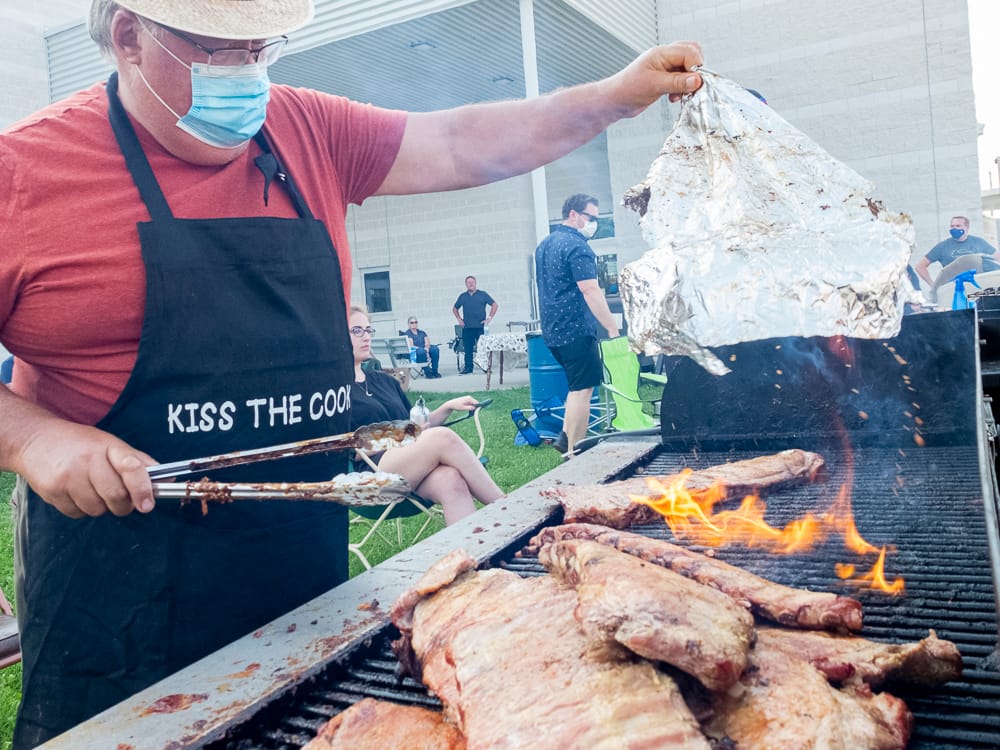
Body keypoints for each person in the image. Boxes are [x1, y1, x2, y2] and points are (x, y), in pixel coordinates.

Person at [0, 0, 703, 741]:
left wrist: (611, 96)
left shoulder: (307, 129)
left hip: (302, 573)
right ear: (129, 37)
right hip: (122, 607)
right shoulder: (22, 172)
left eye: (260, 50)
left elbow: (463, 142)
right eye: (219, 51)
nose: (247, 74)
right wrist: (36, 442)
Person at [349, 307, 502, 522]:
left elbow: (415, 427)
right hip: (371, 476)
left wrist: (446, 407)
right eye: (356, 330)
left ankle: (471, 553)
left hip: (409, 465)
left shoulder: (385, 381)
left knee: (451, 480)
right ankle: (506, 508)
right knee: (442, 437)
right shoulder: (336, 393)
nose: (365, 336)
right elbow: (348, 449)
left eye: (367, 330)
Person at [535, 194, 620, 457]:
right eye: (591, 217)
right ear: (573, 214)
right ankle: (574, 451)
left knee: (576, 387)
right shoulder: (577, 246)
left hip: (552, 330)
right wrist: (612, 328)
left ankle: (565, 438)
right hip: (575, 329)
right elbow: (590, 290)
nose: (593, 223)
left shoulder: (545, 245)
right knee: (583, 389)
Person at [915, 216, 1000, 286]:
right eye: (952, 226)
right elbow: (920, 266)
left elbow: (997, 257)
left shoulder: (978, 242)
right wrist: (934, 285)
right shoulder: (942, 246)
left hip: (977, 287)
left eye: (958, 226)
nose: (954, 228)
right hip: (954, 289)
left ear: (967, 227)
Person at [452, 275, 497, 374]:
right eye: (468, 282)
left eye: (472, 282)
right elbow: (455, 308)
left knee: (483, 348)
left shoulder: (483, 294)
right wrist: (459, 319)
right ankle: (468, 368)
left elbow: (494, 305)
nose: (471, 284)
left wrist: (489, 318)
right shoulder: (462, 296)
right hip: (467, 327)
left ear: (475, 283)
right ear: (466, 284)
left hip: (480, 327)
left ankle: (486, 368)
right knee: (468, 349)